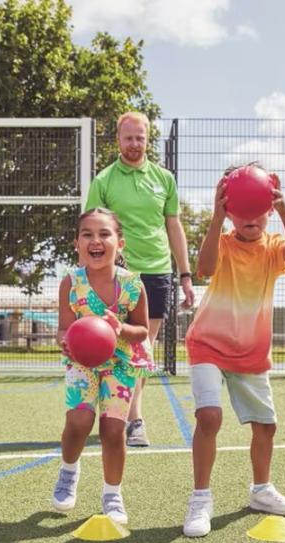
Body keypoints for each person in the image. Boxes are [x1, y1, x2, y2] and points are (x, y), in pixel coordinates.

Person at [181, 167, 285, 538]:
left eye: (259, 209)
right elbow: (204, 268)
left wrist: (284, 210)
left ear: (268, 210)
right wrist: (215, 219)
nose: (250, 218)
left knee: (266, 426)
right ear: (229, 210)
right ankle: (201, 498)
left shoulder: (272, 248)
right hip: (208, 342)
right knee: (209, 417)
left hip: (251, 351)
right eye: (241, 209)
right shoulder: (221, 243)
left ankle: (261, 490)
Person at [84, 111, 194, 447]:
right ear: (118, 139)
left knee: (141, 350)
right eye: (128, 138)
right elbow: (91, 230)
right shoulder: (103, 181)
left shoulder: (164, 179)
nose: (134, 144)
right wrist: (90, 272)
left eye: (140, 138)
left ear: (148, 140)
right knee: (117, 349)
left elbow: (174, 227)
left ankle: (131, 420)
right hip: (118, 273)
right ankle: (125, 417)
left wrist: (185, 274)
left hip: (158, 272)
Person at [51, 208, 155, 525]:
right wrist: (65, 340)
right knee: (80, 422)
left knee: (113, 431)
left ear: (119, 243)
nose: (96, 241)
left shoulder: (133, 286)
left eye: (104, 234)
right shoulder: (71, 282)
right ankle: (69, 470)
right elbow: (63, 329)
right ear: (77, 244)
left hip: (120, 362)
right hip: (82, 362)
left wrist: (120, 329)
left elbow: (143, 330)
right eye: (88, 234)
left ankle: (112, 493)